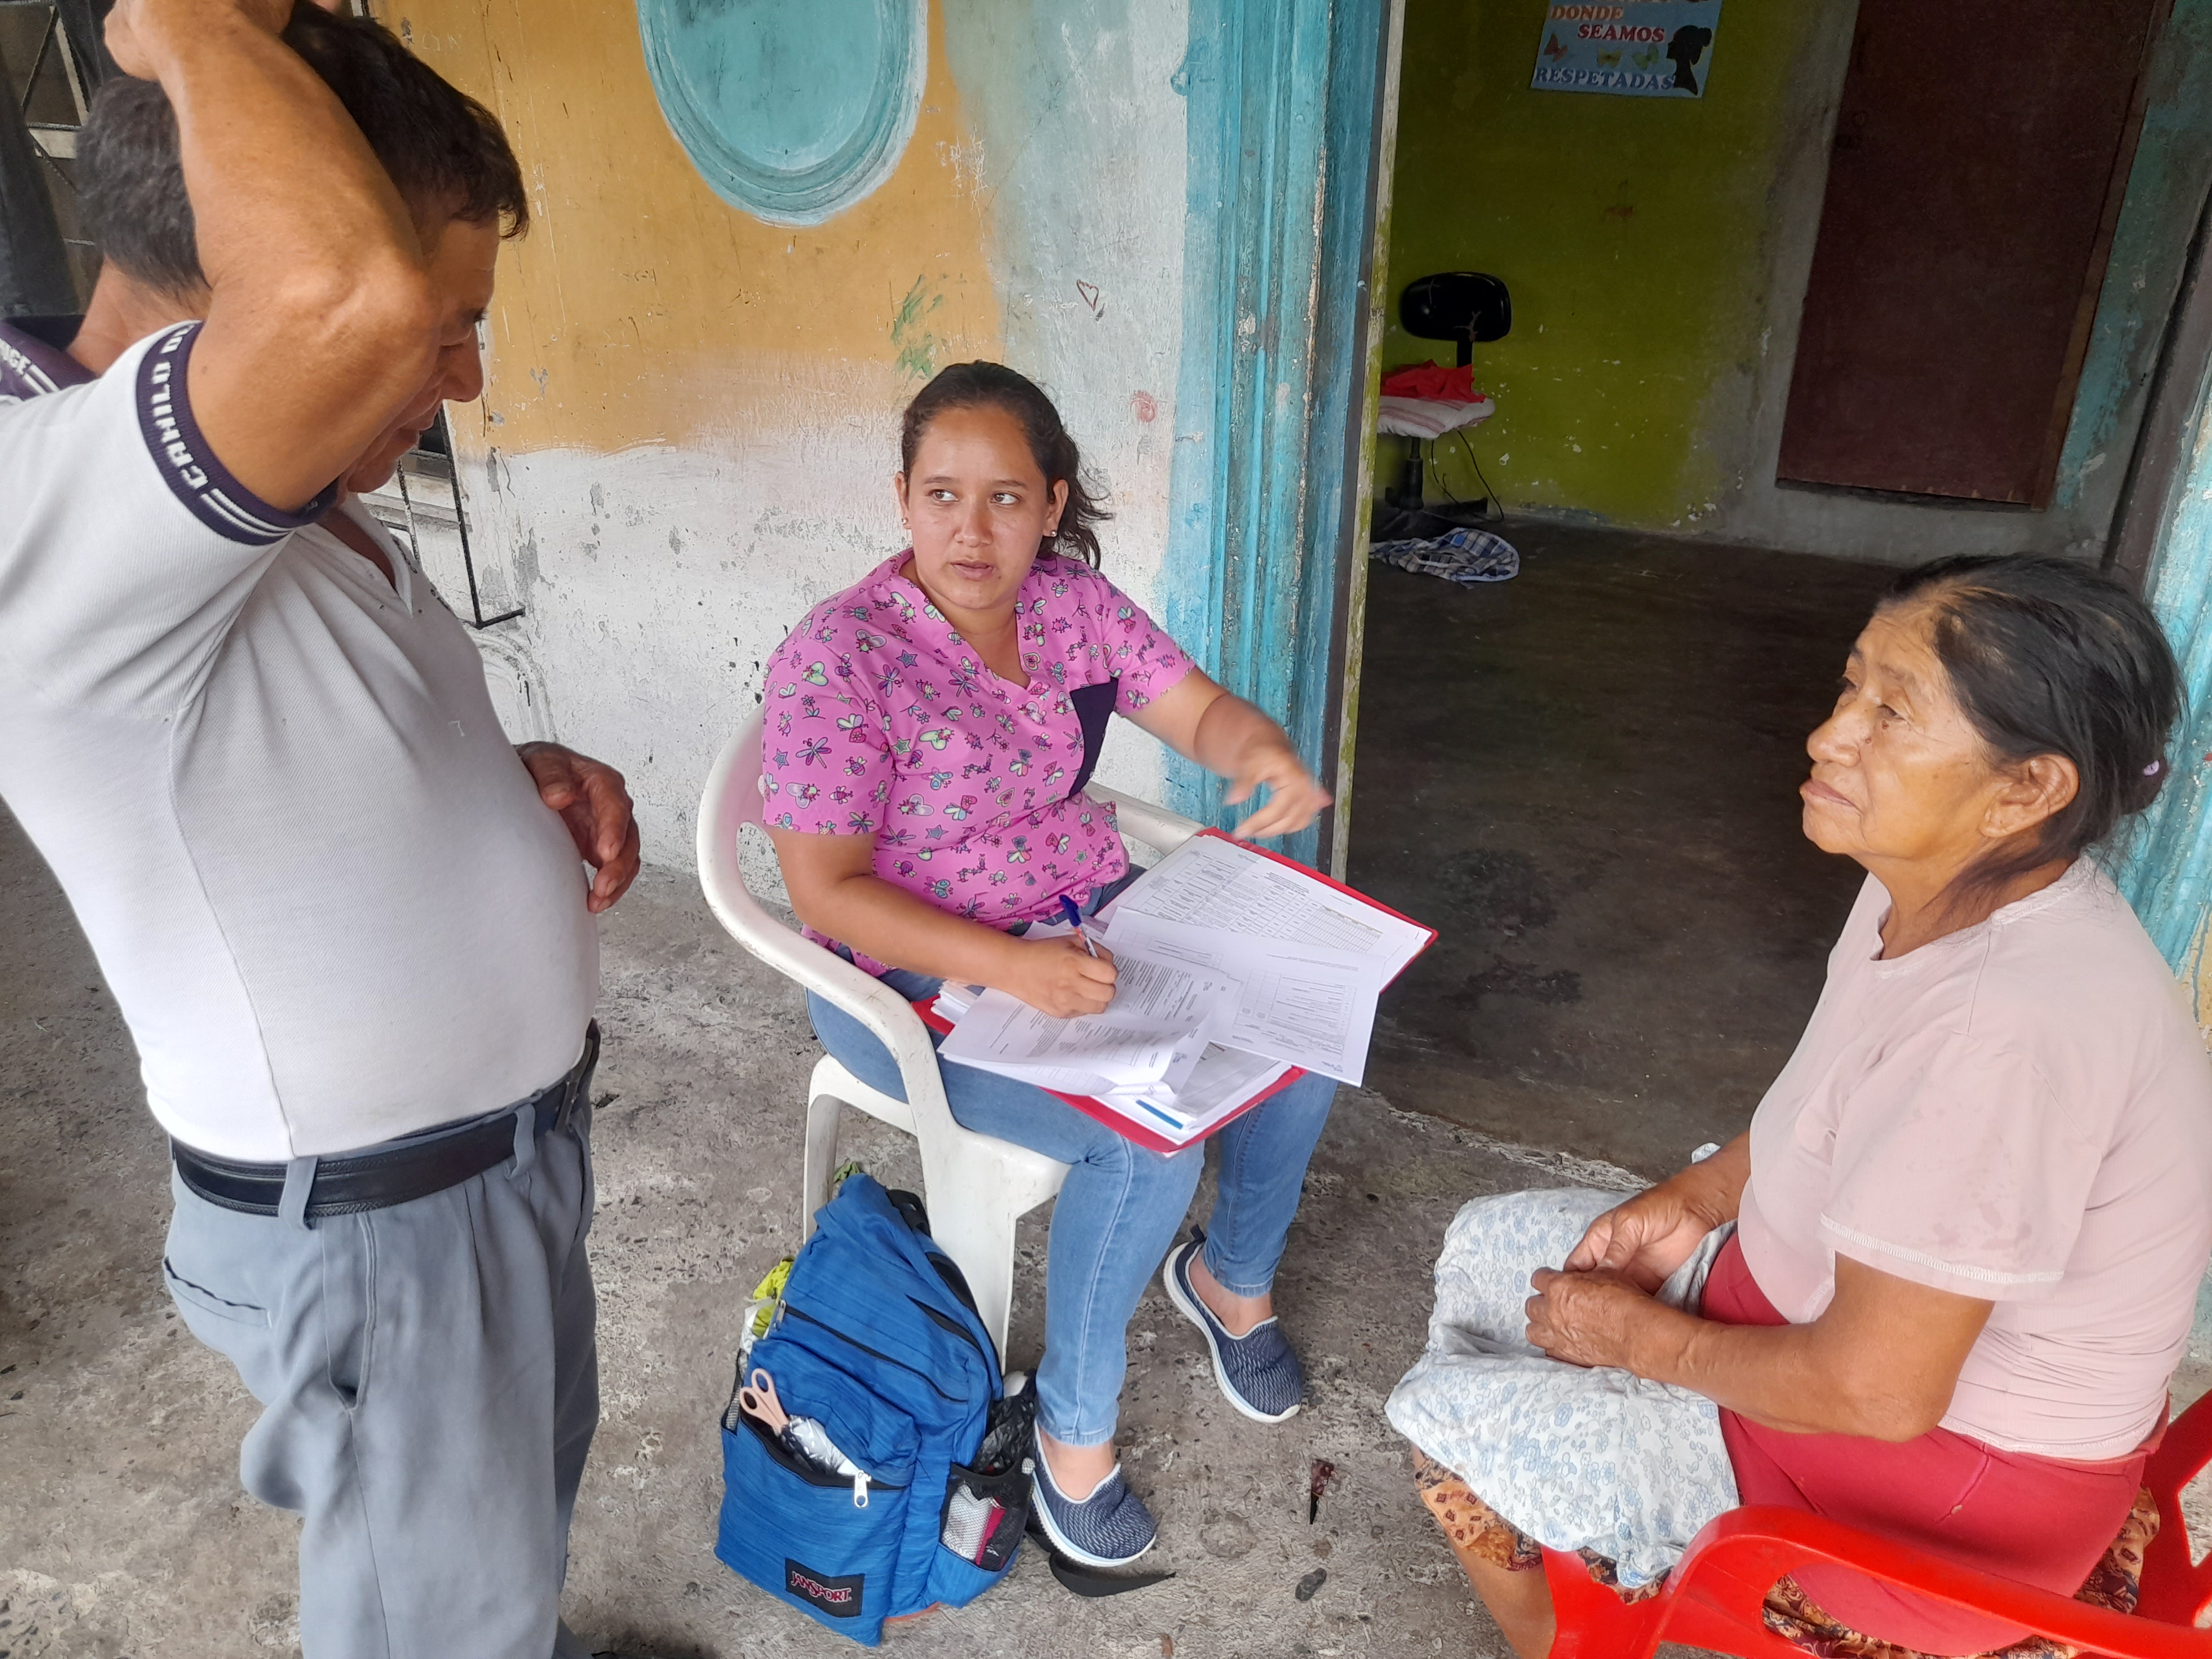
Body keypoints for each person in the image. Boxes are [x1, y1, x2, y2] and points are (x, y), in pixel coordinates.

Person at [0, 4, 640, 1655]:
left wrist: (493, 780)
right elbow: (344, 303)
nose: (461, 377)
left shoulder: (255, 494)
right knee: (433, 1624)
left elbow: (263, 737)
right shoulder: (38, 498)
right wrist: (191, 26)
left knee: (499, 1553)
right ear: (247, 251)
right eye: (445, 327)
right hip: (383, 1230)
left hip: (485, 1178)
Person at [1399, 555, 2211, 1658]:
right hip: (1819, 1343)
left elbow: (1879, 1395)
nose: (1830, 736)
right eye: (1850, 687)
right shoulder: (1930, 879)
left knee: (1445, 1413)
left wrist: (1642, 1343)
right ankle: (1588, 1568)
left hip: (1933, 1508)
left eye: (1892, 714)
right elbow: (1832, 1100)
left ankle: (1564, 1638)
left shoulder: (2005, 1030)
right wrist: (1698, 1197)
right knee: (1486, 1245)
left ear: (2027, 789)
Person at [758, 361, 1338, 1568]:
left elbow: (1200, 713)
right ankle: (1071, 1434)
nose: (971, 531)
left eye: (1006, 498)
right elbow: (826, 892)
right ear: (902, 499)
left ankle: (1229, 1281)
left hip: (1086, 926)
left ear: (1052, 502)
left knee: (1303, 1026)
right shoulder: (840, 655)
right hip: (906, 983)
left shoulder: (1072, 607)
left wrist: (1262, 750)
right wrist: (1010, 970)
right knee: (1143, 1142)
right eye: (941, 496)